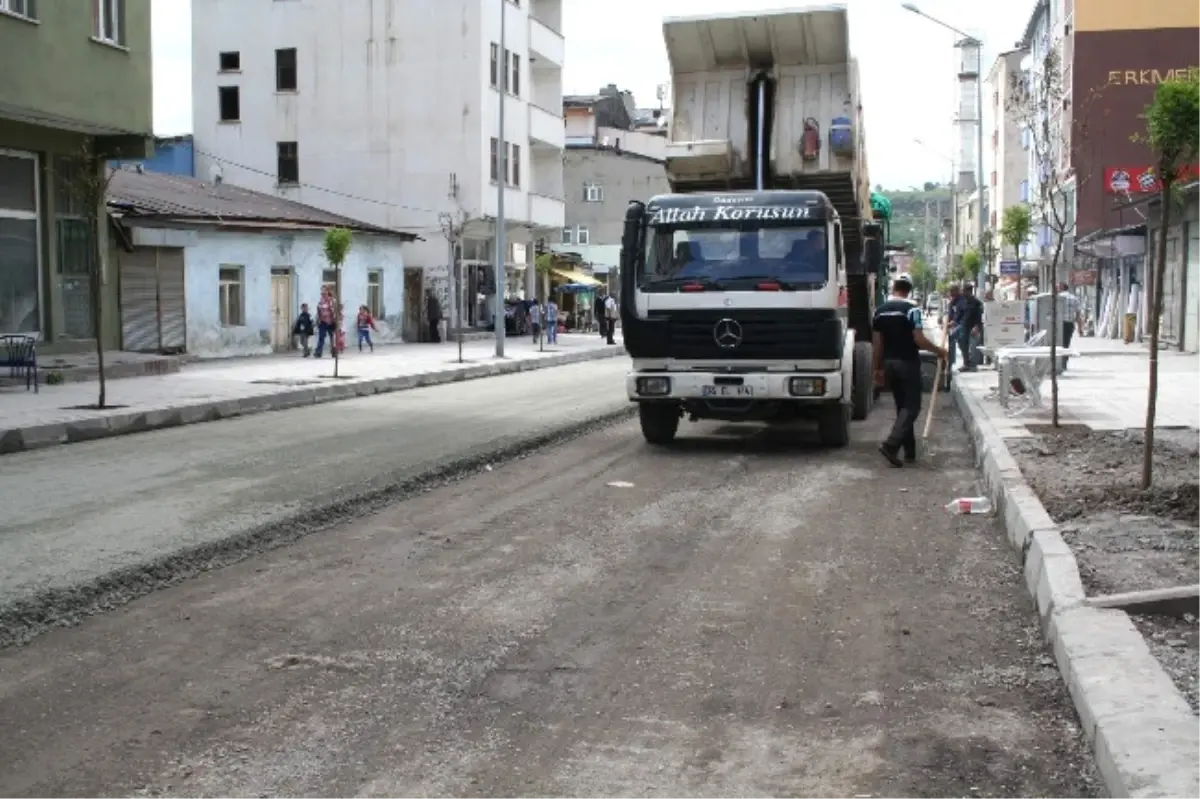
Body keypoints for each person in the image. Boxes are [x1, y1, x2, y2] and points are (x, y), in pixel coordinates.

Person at [872, 273, 949, 467]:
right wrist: (940, 351)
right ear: (908, 291)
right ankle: (891, 445)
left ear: (893, 289)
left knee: (902, 407)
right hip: (907, 362)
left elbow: (878, 344)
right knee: (912, 406)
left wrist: (877, 368)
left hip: (889, 363)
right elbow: (918, 339)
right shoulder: (911, 310)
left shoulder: (879, 312)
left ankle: (909, 451)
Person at [957, 283, 984, 372]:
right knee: (962, 345)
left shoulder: (976, 303)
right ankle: (966, 363)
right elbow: (960, 314)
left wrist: (977, 326)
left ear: (969, 291)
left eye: (964, 291)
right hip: (964, 326)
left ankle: (972, 365)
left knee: (973, 347)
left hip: (973, 327)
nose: (962, 292)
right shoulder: (963, 302)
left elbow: (980, 316)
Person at [1057, 282, 1083, 370]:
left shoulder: (1057, 298)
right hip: (1069, 324)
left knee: (1058, 344)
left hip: (1058, 324)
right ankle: (1064, 363)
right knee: (1066, 344)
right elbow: (1078, 315)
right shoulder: (1074, 298)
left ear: (1061, 288)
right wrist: (1080, 328)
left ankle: (1058, 363)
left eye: (1057, 287)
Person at [313, 286, 336, 358]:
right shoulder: (320, 301)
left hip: (331, 321)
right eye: (321, 291)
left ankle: (333, 351)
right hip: (323, 322)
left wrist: (335, 320)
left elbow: (334, 311)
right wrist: (318, 319)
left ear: (327, 292)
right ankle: (318, 352)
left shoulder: (331, 300)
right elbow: (318, 310)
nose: (322, 293)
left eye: (324, 291)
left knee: (332, 337)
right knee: (321, 337)